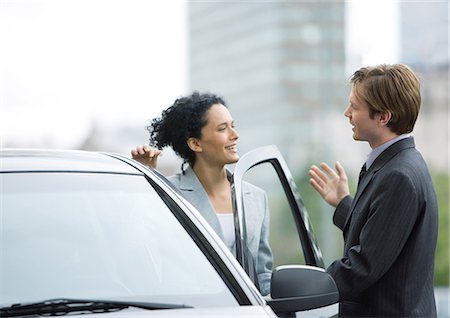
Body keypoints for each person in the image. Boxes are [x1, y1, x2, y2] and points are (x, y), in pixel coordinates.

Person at [309, 64, 438, 317]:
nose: (347, 113)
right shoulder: (400, 163)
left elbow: (364, 265)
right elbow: (386, 234)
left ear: (383, 117)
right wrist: (345, 203)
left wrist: (305, 289)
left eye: (355, 107)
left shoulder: (398, 175)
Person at [131, 92, 272, 295]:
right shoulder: (168, 193)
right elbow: (138, 244)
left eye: (233, 126)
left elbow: (263, 274)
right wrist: (144, 180)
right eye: (223, 128)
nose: (235, 135)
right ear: (195, 144)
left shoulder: (256, 198)